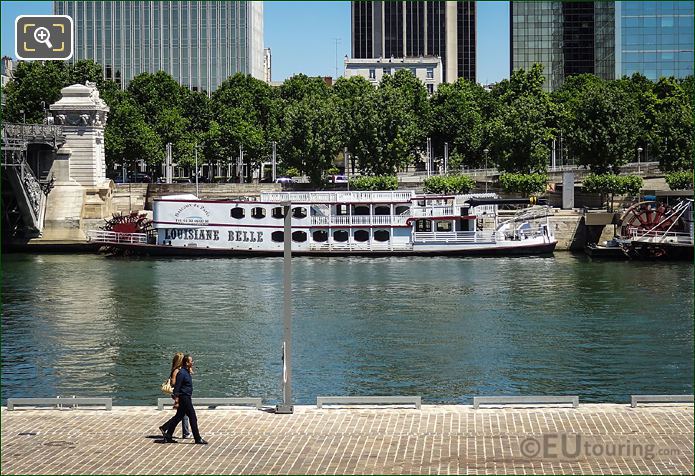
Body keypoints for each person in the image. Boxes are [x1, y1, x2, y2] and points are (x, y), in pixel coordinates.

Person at [161, 354, 207, 444]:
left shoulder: (186, 371)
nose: (192, 362)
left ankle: (168, 435)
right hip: (184, 398)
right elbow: (177, 387)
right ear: (186, 363)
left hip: (186, 397)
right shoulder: (182, 373)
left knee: (178, 417)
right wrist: (177, 400)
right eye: (191, 361)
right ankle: (197, 438)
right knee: (193, 417)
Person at [158, 352, 191, 439]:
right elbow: (173, 382)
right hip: (178, 394)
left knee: (182, 414)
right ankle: (185, 433)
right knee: (183, 414)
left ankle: (166, 427)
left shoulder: (180, 370)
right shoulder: (177, 371)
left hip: (180, 393)